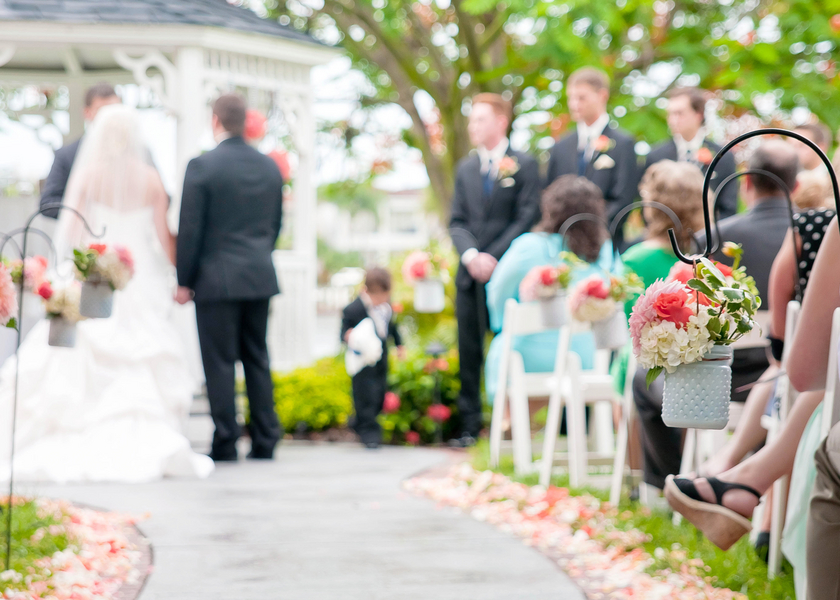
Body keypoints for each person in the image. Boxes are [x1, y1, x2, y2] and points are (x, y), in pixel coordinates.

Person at [0, 105, 213, 483]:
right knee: (143, 346)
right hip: (139, 274)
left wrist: (81, 267)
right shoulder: (150, 178)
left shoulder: (88, 173)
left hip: (94, 266)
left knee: (80, 342)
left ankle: (72, 423)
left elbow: (73, 231)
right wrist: (183, 276)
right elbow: (164, 238)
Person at [632, 140, 798, 491]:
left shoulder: (716, 236)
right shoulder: (813, 238)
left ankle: (664, 483)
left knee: (641, 379)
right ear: (795, 187)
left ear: (746, 183)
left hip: (722, 376)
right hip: (783, 379)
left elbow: (692, 310)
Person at [176, 94, 284, 462]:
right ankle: (266, 439)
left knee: (219, 360)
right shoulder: (270, 168)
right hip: (259, 275)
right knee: (257, 357)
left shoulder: (202, 166)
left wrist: (183, 279)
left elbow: (190, 229)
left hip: (215, 280)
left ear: (216, 120)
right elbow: (275, 226)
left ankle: (226, 439)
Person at [449, 93, 542, 447]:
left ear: (501, 122)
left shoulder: (525, 164)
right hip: (470, 274)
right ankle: (470, 426)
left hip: (510, 274)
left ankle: (509, 423)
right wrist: (472, 256)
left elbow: (526, 215)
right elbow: (456, 221)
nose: (473, 126)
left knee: (510, 344)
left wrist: (494, 257)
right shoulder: (465, 169)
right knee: (469, 349)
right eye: (472, 120)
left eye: (480, 120)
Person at [484, 175, 616, 405]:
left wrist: (502, 324)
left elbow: (497, 294)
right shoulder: (605, 251)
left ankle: (510, 425)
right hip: (587, 357)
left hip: (528, 359)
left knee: (502, 346)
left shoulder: (529, 246)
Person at [614, 160, 705, 490]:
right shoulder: (703, 255)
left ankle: (640, 478)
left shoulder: (634, 259)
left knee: (629, 367)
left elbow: (626, 325)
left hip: (648, 364)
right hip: (701, 362)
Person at [546, 67, 638, 245]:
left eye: (581, 97)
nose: (574, 104)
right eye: (571, 98)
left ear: (602, 96)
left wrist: (591, 233)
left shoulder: (623, 144)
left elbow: (624, 199)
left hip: (605, 240)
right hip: (562, 242)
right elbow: (549, 194)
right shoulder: (560, 147)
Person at [643, 88, 738, 220]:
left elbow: (728, 209)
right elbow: (647, 205)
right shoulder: (656, 156)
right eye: (670, 114)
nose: (673, 120)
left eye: (679, 113)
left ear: (698, 114)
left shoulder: (722, 156)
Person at [340, 267, 404, 449]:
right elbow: (344, 333)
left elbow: (392, 328)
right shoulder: (354, 309)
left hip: (381, 357)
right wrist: (349, 335)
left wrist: (399, 345)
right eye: (378, 297)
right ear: (367, 291)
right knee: (364, 396)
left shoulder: (386, 308)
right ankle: (369, 434)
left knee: (378, 394)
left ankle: (358, 422)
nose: (382, 301)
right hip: (362, 362)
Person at [40, 83, 120, 218]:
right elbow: (48, 204)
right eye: (102, 111)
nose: (109, 118)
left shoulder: (139, 152)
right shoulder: (66, 155)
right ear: (87, 113)